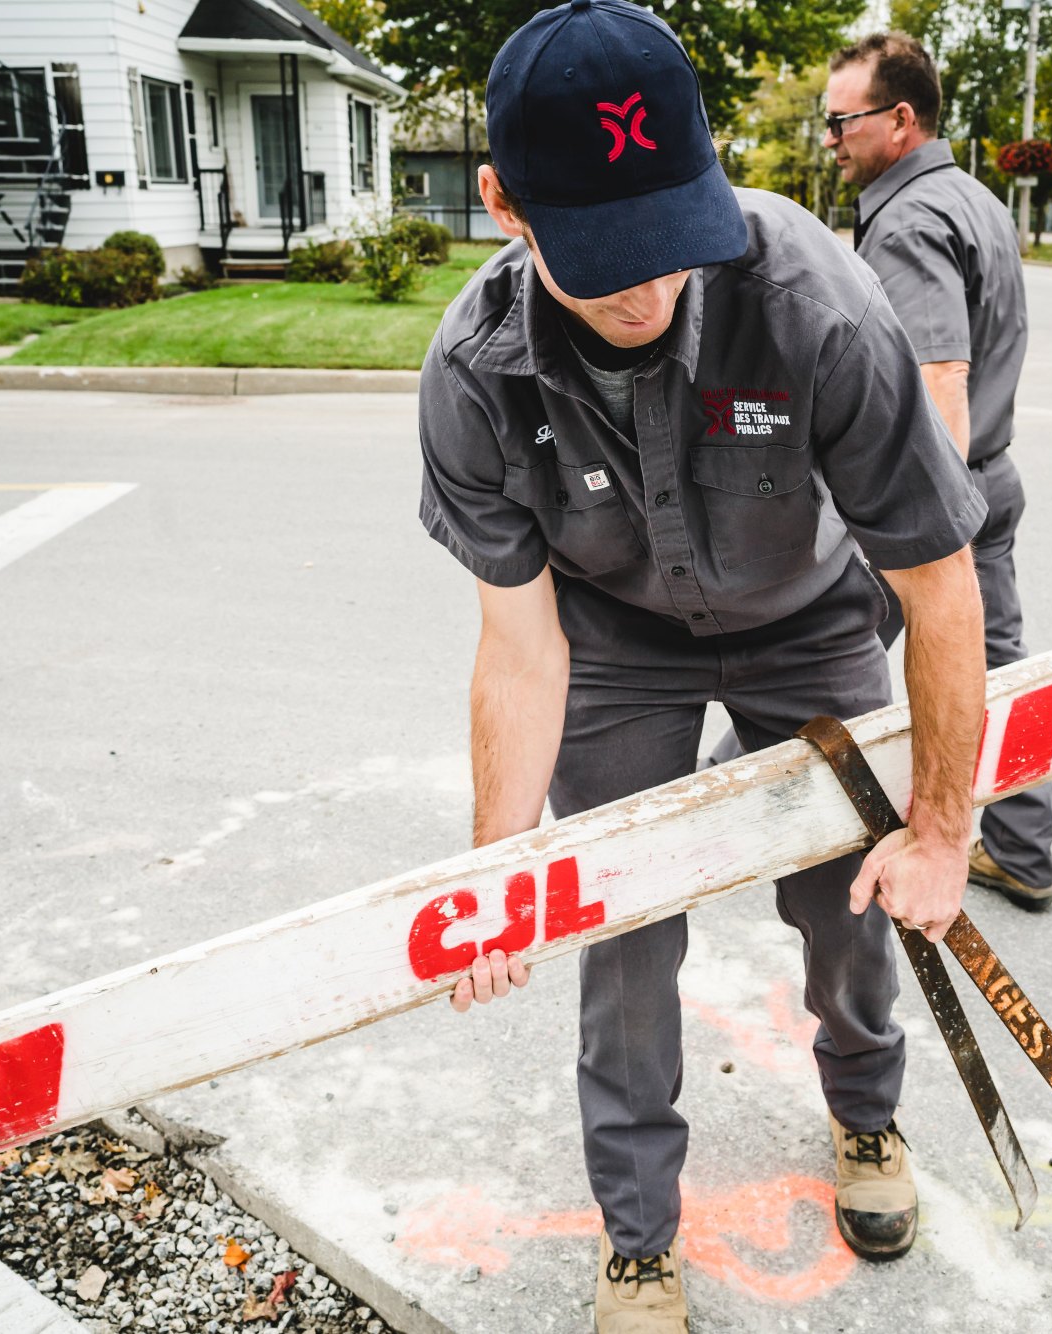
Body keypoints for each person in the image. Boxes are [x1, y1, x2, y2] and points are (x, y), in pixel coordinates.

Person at [415, 2, 989, 1328]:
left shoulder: (814, 303)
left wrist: (942, 826)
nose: (647, 289)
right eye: (605, 256)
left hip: (808, 615)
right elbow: (520, 646)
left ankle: (866, 1113)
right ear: (504, 204)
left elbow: (938, 578)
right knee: (622, 931)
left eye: (670, 238)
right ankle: (636, 1234)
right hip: (613, 639)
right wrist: (499, 866)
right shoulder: (474, 372)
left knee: (846, 903)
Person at [821, 31, 1052, 912]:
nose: (831, 138)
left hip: (936, 498)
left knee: (824, 647)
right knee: (992, 668)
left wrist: (928, 528)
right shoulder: (972, 197)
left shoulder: (911, 219)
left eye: (841, 121)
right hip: (990, 480)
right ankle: (1023, 850)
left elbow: (940, 377)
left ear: (900, 119)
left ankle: (742, 802)